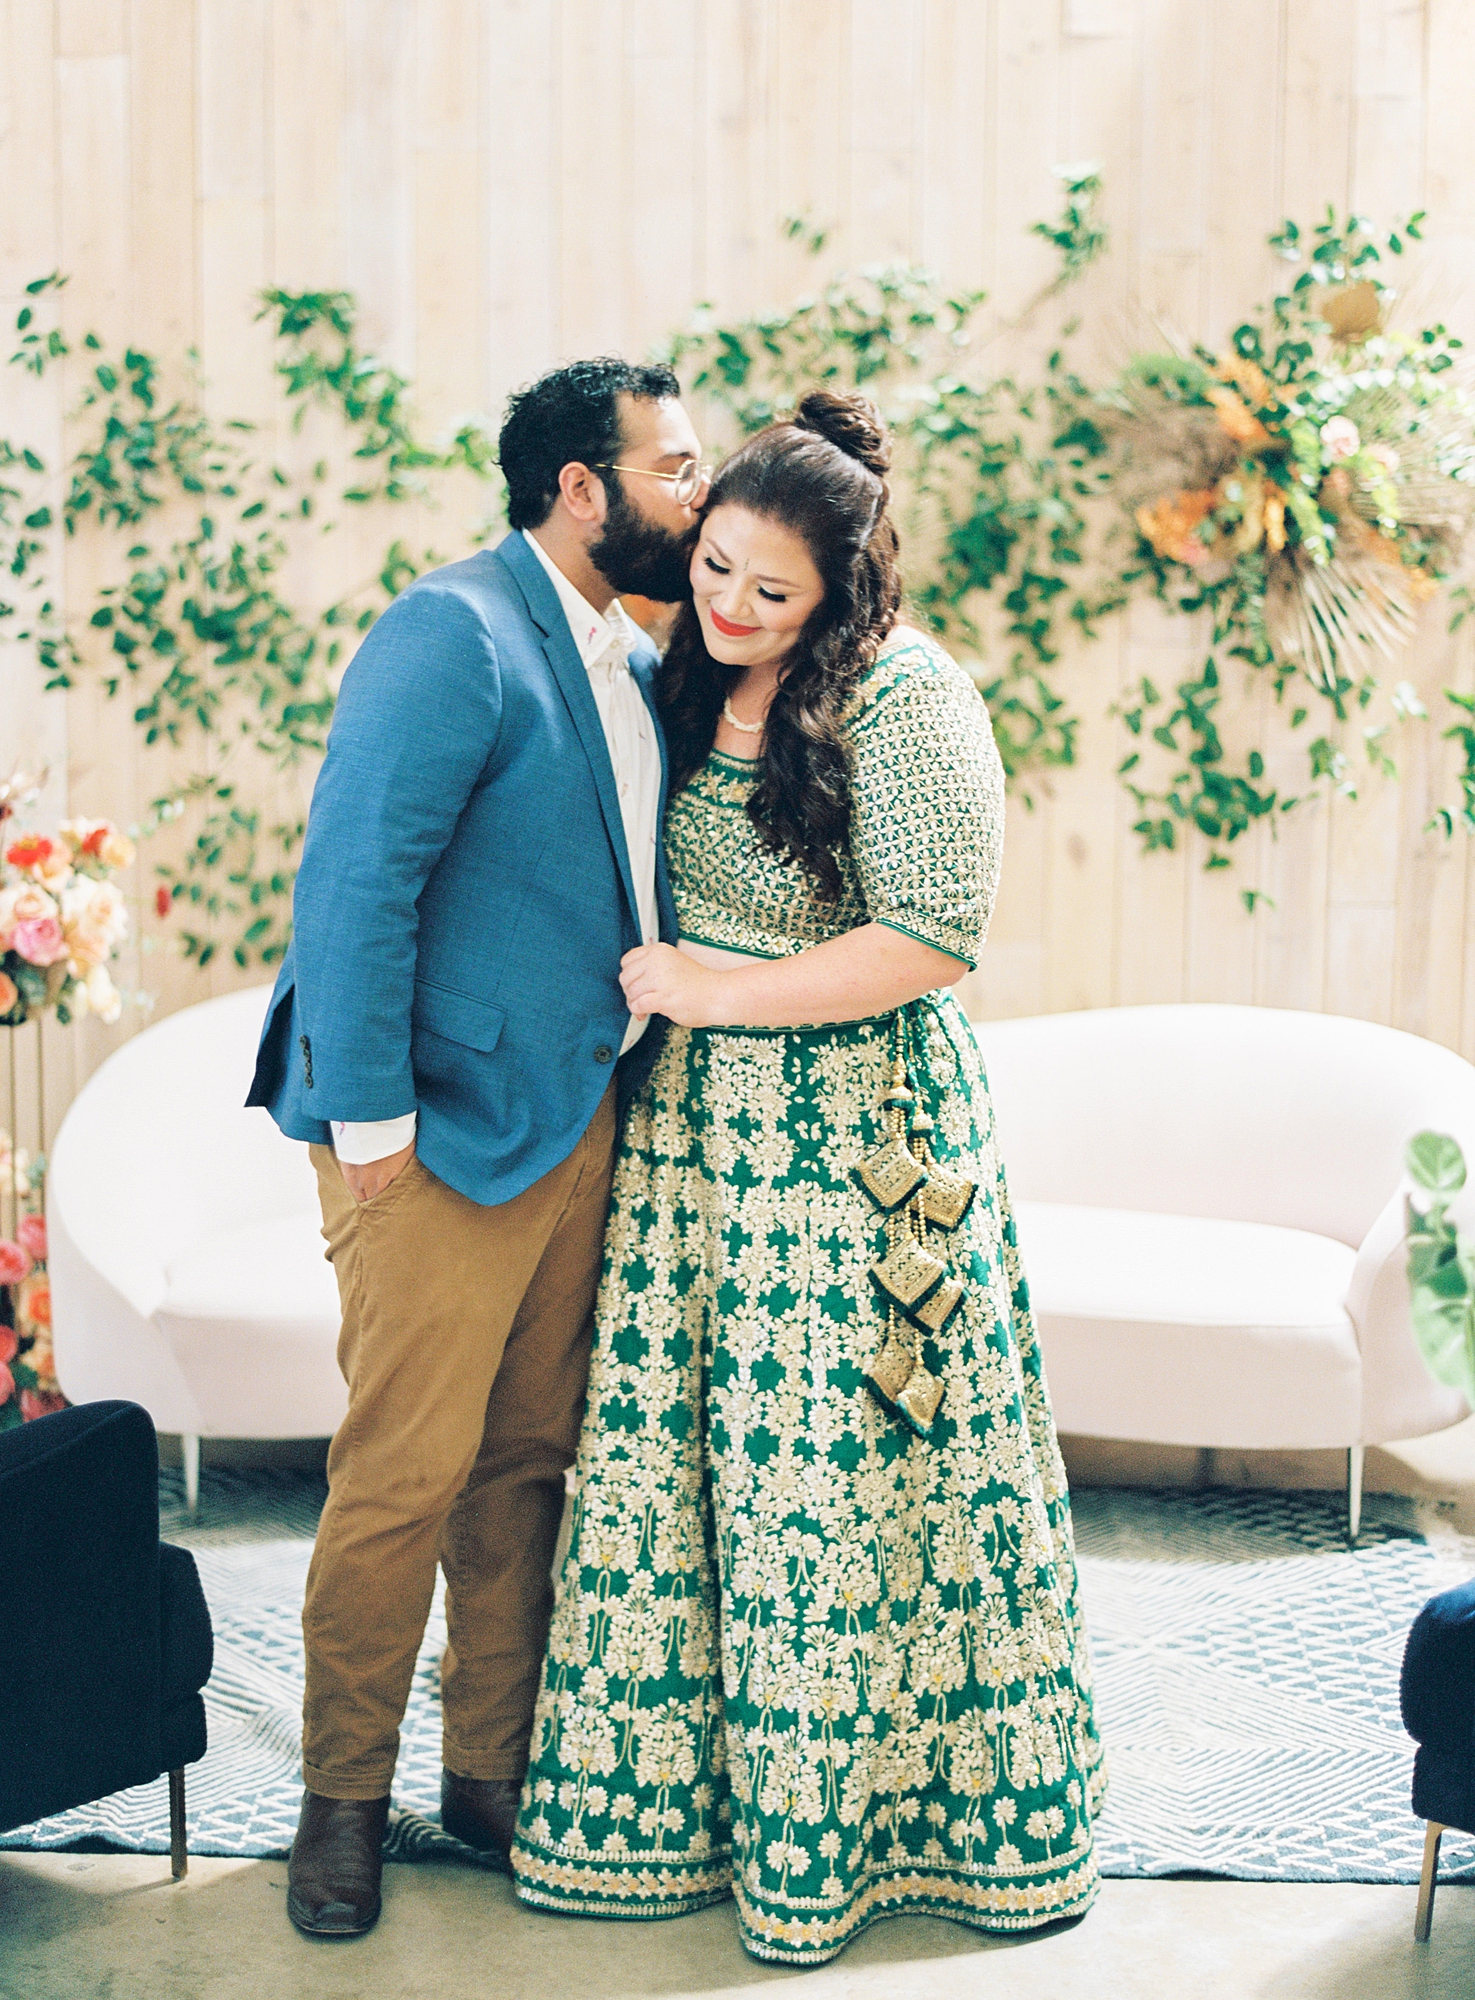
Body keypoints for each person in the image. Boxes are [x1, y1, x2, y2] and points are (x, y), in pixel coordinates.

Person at [510, 390, 1105, 1966]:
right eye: (712, 570)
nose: (727, 608)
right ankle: (682, 1829)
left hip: (857, 1146)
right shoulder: (674, 672)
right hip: (698, 1148)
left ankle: (876, 1843)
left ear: (844, 592)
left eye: (771, 594)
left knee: (844, 1489)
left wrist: (712, 989)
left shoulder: (910, 699)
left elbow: (928, 938)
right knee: (684, 1481)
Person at [246, 356, 707, 1938]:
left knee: (520, 1469)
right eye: (674, 469)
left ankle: (488, 1779)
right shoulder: (450, 631)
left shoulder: (632, 655)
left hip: (577, 1120)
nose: (695, 498)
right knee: (402, 1473)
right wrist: (373, 1124)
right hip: (431, 1131)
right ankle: (340, 1801)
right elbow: (356, 882)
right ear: (579, 489)